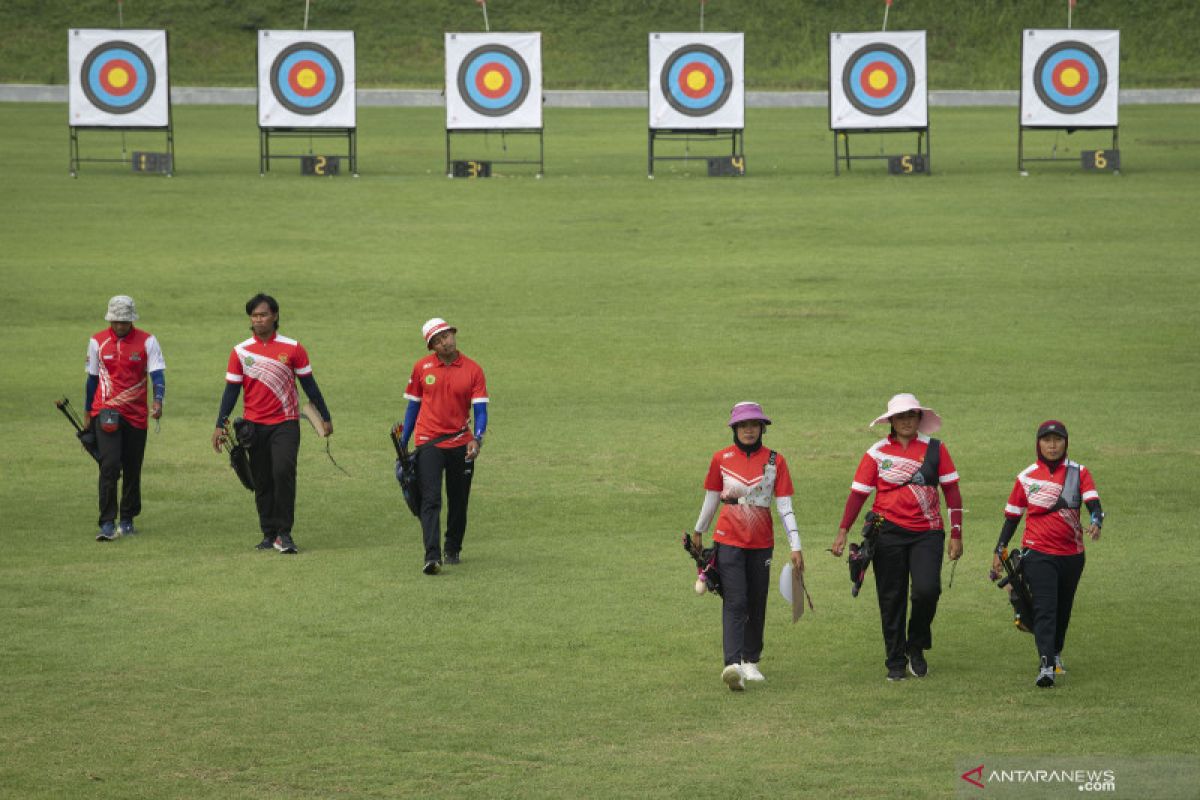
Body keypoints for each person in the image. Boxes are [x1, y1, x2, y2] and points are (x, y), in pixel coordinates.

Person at [830, 393, 963, 681]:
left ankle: (915, 645)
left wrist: (956, 533)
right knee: (891, 597)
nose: (906, 421)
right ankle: (895, 661)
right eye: (900, 416)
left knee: (927, 590)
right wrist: (843, 530)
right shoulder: (876, 453)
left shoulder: (936, 450)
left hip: (927, 533)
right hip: (887, 533)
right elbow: (858, 494)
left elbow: (951, 491)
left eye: (911, 416)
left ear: (919, 418)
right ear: (891, 420)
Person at [691, 402, 804, 691]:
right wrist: (699, 529)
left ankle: (751, 660)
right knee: (736, 601)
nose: (749, 430)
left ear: (762, 428)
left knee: (756, 600)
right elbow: (712, 496)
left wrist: (796, 545)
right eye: (743, 425)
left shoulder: (776, 460)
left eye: (754, 425)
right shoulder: (721, 458)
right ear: (735, 429)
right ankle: (733, 665)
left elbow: (785, 506)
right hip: (728, 539)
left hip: (761, 542)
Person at [210, 294, 332, 554]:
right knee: (262, 479)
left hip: (285, 423)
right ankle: (268, 534)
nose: (259, 320)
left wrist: (325, 416)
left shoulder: (293, 348)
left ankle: (284, 534)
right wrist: (220, 424)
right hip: (253, 427)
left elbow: (309, 384)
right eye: (254, 316)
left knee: (283, 472)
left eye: (263, 315)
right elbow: (231, 391)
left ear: (275, 316)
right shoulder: (240, 351)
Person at [993, 420, 1104, 688]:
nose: (1052, 445)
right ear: (1038, 443)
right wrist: (1000, 549)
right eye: (1047, 440)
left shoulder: (1079, 472)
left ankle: (1054, 652)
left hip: (1072, 554)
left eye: (1057, 440)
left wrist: (1097, 522)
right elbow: (1012, 517)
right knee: (1045, 608)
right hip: (1037, 552)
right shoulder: (1026, 477)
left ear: (1066, 442)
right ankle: (1046, 665)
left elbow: (1094, 504)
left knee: (1063, 609)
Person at [400, 318, 488, 575]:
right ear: (432, 347)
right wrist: (404, 441)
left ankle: (453, 547)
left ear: (453, 334)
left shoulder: (473, 369)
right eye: (437, 340)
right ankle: (432, 556)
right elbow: (413, 407)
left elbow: (480, 411)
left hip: (461, 441)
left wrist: (477, 438)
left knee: (459, 499)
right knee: (431, 498)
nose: (444, 342)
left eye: (446, 336)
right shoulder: (421, 368)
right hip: (429, 441)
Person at [85, 295, 166, 541]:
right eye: (117, 321)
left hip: (136, 414)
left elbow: (157, 374)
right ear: (110, 319)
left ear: (132, 320)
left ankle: (128, 518)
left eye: (125, 321)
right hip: (105, 411)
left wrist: (158, 400)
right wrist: (88, 412)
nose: (120, 325)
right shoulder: (97, 341)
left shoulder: (148, 341)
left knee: (132, 467)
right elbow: (92, 380)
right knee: (109, 465)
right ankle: (107, 522)